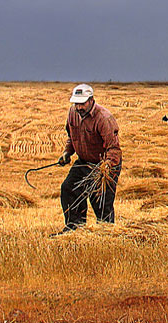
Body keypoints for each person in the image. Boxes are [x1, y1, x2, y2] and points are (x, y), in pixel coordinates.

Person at [51, 84, 122, 236]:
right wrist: (67, 153)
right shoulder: (72, 113)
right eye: (76, 103)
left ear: (91, 100)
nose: (79, 107)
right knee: (69, 188)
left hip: (105, 163)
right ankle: (75, 229)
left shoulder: (104, 118)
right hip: (84, 160)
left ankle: (106, 233)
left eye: (82, 103)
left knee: (101, 200)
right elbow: (72, 136)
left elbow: (114, 149)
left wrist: (107, 167)